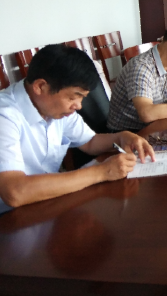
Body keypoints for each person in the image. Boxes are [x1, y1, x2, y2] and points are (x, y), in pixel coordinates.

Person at [0, 45, 155, 211]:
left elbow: (90, 142)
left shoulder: (54, 108)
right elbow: (14, 192)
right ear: (40, 86)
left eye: (82, 98)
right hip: (9, 216)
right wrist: (101, 172)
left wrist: (121, 137)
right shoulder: (5, 116)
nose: (79, 106)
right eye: (73, 97)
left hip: (45, 202)